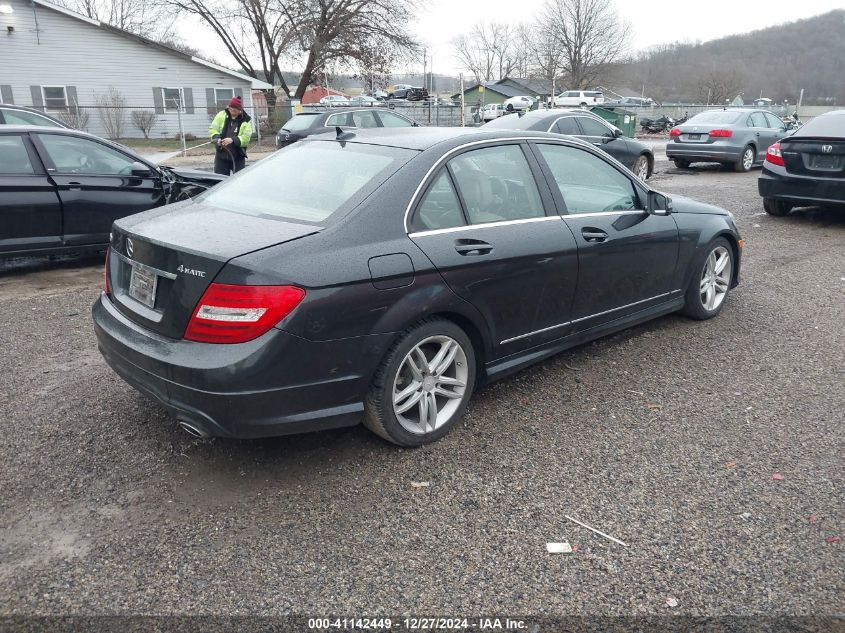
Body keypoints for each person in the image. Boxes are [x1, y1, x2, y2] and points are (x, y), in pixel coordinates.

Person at [209, 96, 252, 175]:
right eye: (231, 107)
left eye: (234, 108)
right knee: (220, 181)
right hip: (221, 156)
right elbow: (213, 129)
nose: (232, 109)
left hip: (238, 157)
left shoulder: (245, 121)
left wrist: (232, 140)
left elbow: (246, 139)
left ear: (240, 110)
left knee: (239, 180)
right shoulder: (221, 115)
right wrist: (217, 138)